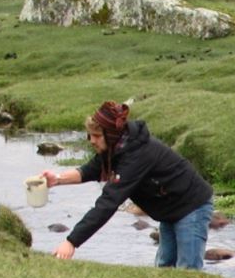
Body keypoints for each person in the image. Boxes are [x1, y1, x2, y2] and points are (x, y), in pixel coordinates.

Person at [40, 101, 215, 269]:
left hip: (192, 207)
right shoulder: (118, 147)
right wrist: (57, 179)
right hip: (170, 210)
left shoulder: (136, 156)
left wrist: (71, 242)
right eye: (89, 135)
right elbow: (91, 169)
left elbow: (108, 203)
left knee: (187, 270)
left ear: (111, 134)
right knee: (164, 268)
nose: (92, 141)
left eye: (97, 136)